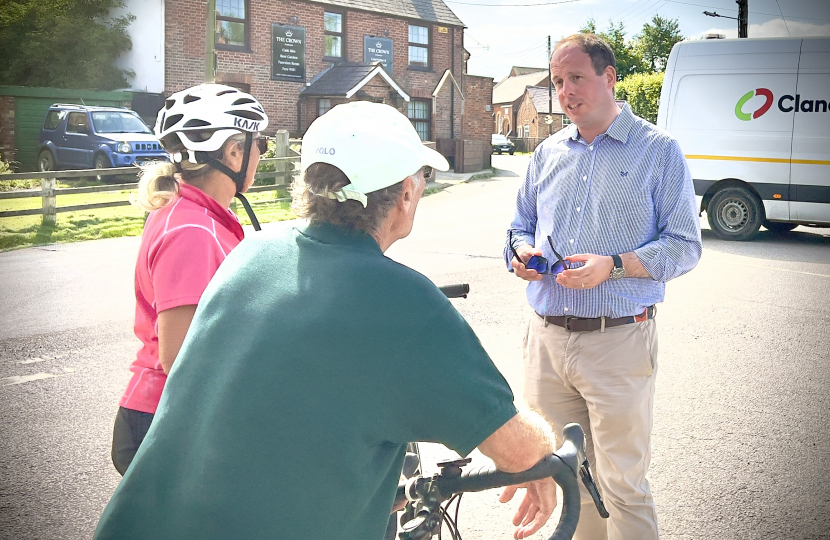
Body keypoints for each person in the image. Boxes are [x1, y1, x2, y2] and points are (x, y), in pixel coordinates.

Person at [94, 101, 559, 540]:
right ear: (404, 194)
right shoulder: (403, 299)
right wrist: (551, 448)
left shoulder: (253, 250)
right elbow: (518, 448)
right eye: (421, 175)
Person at [505, 34, 702, 540]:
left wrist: (613, 265)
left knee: (621, 485)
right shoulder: (547, 152)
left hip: (618, 340)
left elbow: (685, 247)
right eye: (557, 82)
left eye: (576, 78)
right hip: (546, 341)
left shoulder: (659, 152)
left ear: (609, 77)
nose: (565, 92)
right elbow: (518, 226)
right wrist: (519, 254)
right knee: (567, 478)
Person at [110, 83, 269, 475]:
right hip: (172, 421)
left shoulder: (197, 216)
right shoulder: (192, 232)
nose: (260, 156)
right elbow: (180, 356)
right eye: (259, 144)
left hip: (177, 414)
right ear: (234, 151)